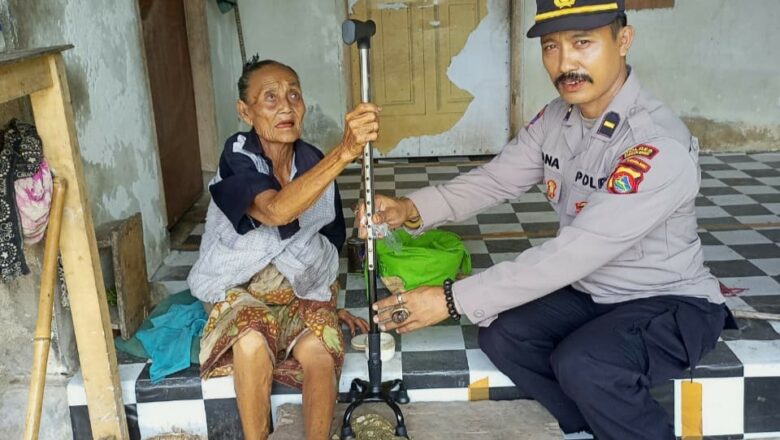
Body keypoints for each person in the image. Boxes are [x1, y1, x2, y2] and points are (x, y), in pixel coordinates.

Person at [357, 1, 737, 439]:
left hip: (668, 299)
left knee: (585, 363)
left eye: (583, 43)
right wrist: (408, 209)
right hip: (593, 291)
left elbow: (572, 254)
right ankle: (597, 422)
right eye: (551, 47)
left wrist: (449, 298)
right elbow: (494, 180)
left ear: (624, 40)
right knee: (502, 334)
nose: (565, 63)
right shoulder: (558, 117)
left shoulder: (655, 144)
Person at [187, 56, 377, 440]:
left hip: (296, 293)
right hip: (237, 288)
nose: (287, 106)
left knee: (321, 353)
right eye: (270, 98)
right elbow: (274, 210)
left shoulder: (312, 162)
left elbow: (328, 244)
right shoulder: (237, 154)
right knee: (253, 339)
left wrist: (329, 303)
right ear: (246, 110)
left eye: (294, 95)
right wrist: (344, 152)